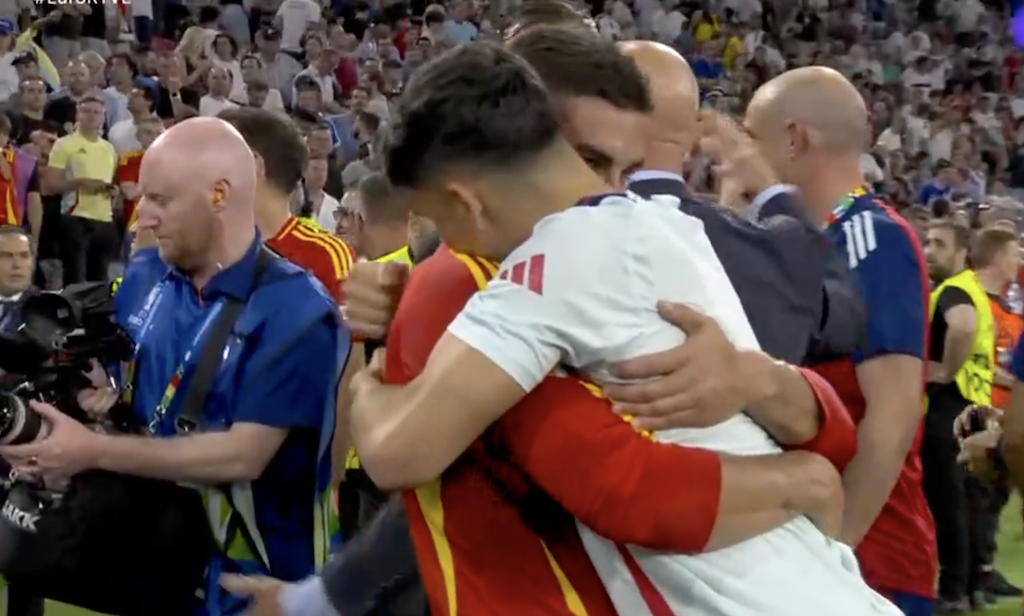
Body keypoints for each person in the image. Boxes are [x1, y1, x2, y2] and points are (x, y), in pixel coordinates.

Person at [227, 29, 857, 616]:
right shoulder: (671, 228)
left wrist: (368, 378)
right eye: (596, 160)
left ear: (465, 201)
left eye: (624, 169)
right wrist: (801, 465)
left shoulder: (545, 266)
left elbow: (398, 454)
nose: (611, 187)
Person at [0, 117, 346, 616]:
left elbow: (242, 456)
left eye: (160, 200)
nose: (141, 216)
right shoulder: (147, 276)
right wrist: (94, 406)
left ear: (219, 195)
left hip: (256, 585)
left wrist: (92, 451)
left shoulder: (297, 310)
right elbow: (133, 395)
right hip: (152, 561)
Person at [743, 66, 935, 616]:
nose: (742, 155)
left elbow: (892, 414)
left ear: (794, 139)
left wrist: (832, 551)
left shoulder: (869, 237)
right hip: (804, 550)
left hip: (867, 562)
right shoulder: (808, 241)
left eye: (752, 138)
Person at [618, 41, 836, 366]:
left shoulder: (570, 223)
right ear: (695, 136)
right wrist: (769, 189)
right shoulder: (775, 250)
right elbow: (839, 308)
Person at [923, 220, 1008, 612]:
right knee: (971, 503)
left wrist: (944, 370)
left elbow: (962, 326)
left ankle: (953, 590)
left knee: (948, 503)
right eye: (927, 242)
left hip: (950, 405)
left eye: (939, 244)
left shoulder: (954, 291)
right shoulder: (974, 289)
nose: (929, 250)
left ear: (962, 253)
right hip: (976, 407)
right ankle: (973, 585)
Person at [42, 94, 118, 284]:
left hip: (105, 218)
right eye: (86, 111)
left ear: (103, 116)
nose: (92, 116)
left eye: (96, 112)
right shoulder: (64, 144)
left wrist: (113, 191)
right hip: (76, 216)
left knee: (100, 281)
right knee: (76, 278)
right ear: (77, 115)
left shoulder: (109, 148)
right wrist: (80, 183)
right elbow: (50, 185)